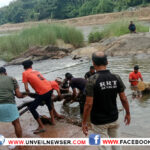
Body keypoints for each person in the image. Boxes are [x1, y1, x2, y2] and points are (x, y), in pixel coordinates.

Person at [82, 52, 130, 150]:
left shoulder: (91, 80)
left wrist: (84, 122)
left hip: (98, 121)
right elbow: (124, 99)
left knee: (103, 146)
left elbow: (88, 104)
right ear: (107, 62)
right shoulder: (116, 77)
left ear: (93, 63)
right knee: (116, 143)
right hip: (114, 118)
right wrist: (128, 113)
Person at [22, 60, 55, 134]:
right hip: (49, 89)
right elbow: (41, 81)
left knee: (32, 108)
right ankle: (53, 121)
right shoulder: (36, 71)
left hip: (43, 92)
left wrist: (28, 94)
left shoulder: (24, 73)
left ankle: (42, 127)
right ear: (31, 66)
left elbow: (26, 88)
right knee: (48, 103)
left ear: (24, 67)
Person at [0, 67, 25, 139]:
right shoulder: (12, 78)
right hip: (9, 104)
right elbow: (18, 95)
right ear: (5, 73)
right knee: (16, 123)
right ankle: (20, 144)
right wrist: (24, 96)